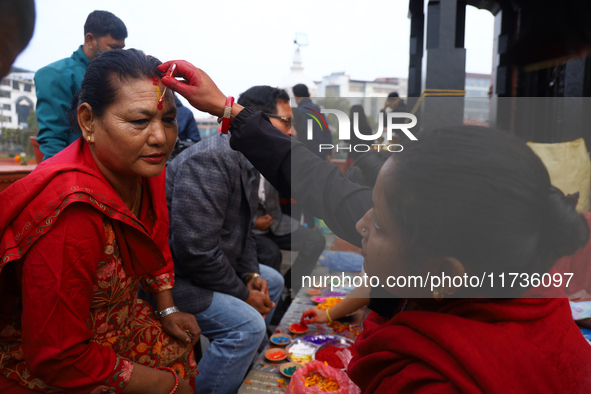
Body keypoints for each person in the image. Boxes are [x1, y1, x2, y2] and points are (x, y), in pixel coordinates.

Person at [158, 60, 591, 393]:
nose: (360, 222)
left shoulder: (429, 379)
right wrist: (228, 109)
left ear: (439, 272)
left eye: (379, 223)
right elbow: (327, 186)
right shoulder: (482, 262)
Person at [0, 50, 199, 394]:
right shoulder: (70, 216)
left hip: (119, 323)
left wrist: (167, 309)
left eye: (168, 119)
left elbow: (155, 236)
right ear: (88, 120)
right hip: (58, 362)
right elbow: (57, 355)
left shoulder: (142, 167)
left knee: (183, 347)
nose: (161, 138)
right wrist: (167, 386)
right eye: (139, 122)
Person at [163, 102, 283, 394]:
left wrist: (251, 275)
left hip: (214, 265)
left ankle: (239, 367)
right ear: (262, 123)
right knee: (249, 328)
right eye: (287, 122)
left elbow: (246, 235)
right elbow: (197, 254)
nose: (291, 132)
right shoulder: (211, 160)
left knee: (272, 280)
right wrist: (244, 294)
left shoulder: (251, 161)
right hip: (178, 279)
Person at [238, 85, 326, 292]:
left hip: (276, 222)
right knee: (270, 253)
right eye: (287, 122)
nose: (292, 131)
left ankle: (287, 288)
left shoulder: (278, 155)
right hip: (249, 231)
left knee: (315, 240)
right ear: (259, 120)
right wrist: (253, 222)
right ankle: (265, 302)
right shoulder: (232, 157)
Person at [35, 10, 127, 160]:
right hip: (77, 170)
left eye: (121, 49)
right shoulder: (57, 76)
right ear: (90, 40)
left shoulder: (117, 76)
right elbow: (53, 139)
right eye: (113, 47)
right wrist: (59, 177)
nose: (119, 55)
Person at [292, 83, 333, 161]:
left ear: (295, 96)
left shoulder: (297, 112)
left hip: (306, 154)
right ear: (309, 94)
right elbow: (326, 131)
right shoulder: (318, 109)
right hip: (321, 153)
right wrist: (328, 152)